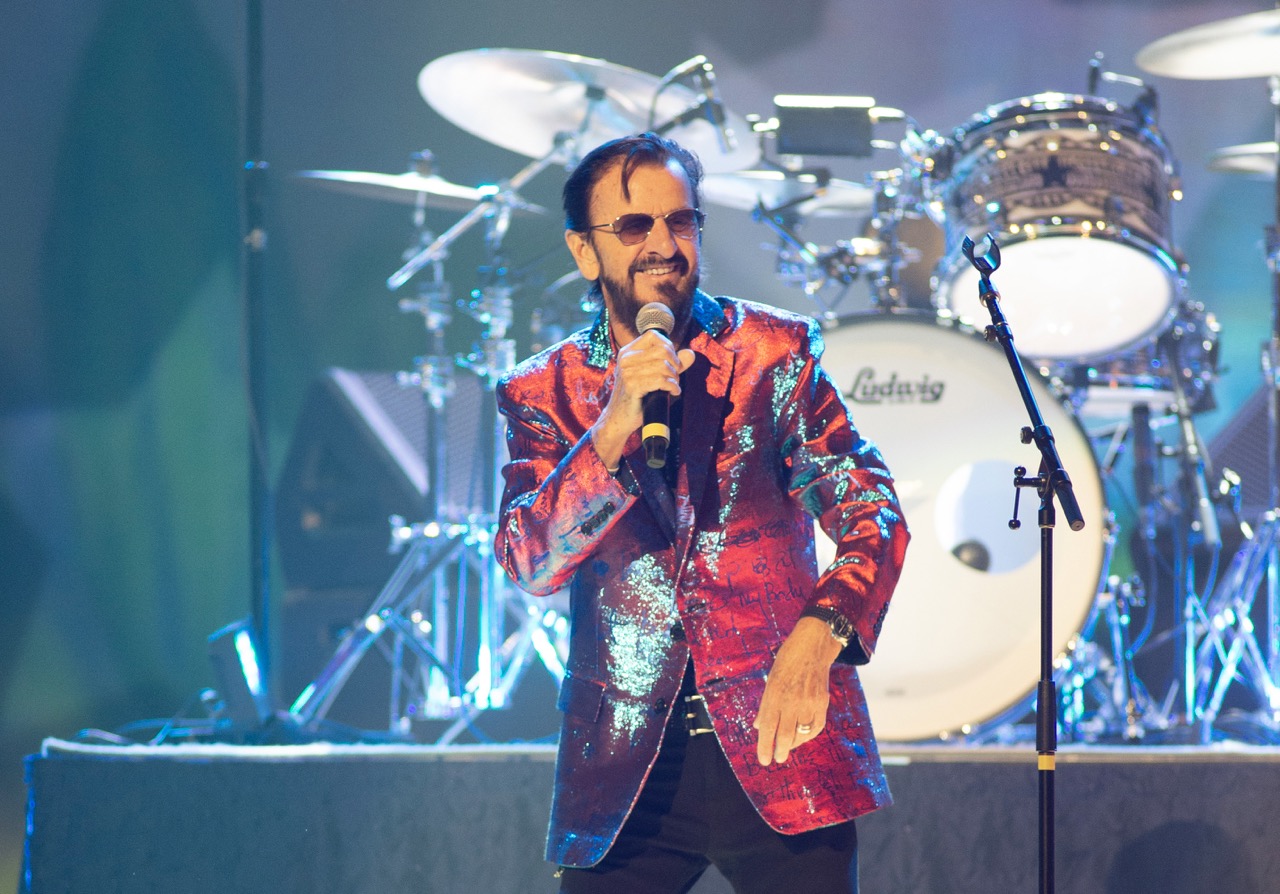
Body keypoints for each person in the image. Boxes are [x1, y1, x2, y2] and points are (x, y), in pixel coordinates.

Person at [494, 132, 909, 894]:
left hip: (781, 747)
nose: (663, 245)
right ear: (584, 252)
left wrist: (820, 634)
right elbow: (529, 562)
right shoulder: (541, 391)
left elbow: (871, 510)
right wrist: (610, 430)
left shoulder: (774, 353)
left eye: (679, 221)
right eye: (634, 226)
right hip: (624, 770)